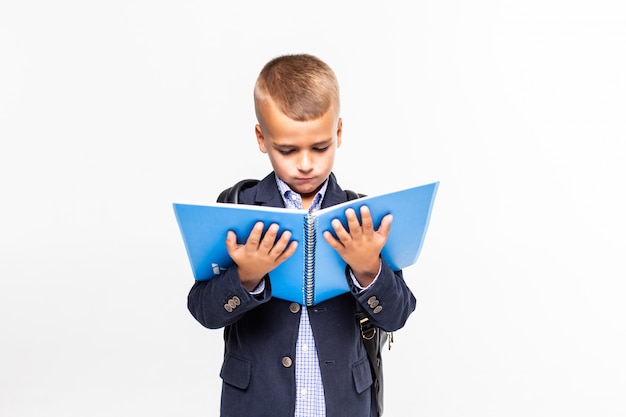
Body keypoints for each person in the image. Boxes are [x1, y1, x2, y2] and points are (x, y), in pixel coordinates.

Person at [187, 53, 416, 417]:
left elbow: (398, 315)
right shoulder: (239, 207)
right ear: (262, 138)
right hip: (258, 403)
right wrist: (245, 277)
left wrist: (368, 270)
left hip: (342, 403)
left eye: (320, 147)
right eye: (288, 150)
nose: (306, 163)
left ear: (338, 133)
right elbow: (204, 311)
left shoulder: (361, 216)